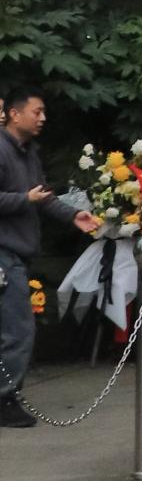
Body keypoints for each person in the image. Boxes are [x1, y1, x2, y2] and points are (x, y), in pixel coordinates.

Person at [0, 79, 101, 426]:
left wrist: (73, 215)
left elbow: (43, 196)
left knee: (14, 327)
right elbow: (28, 198)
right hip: (3, 252)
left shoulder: (28, 152)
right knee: (17, 329)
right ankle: (4, 398)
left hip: (17, 252)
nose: (43, 118)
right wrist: (23, 199)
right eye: (37, 111)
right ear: (15, 114)